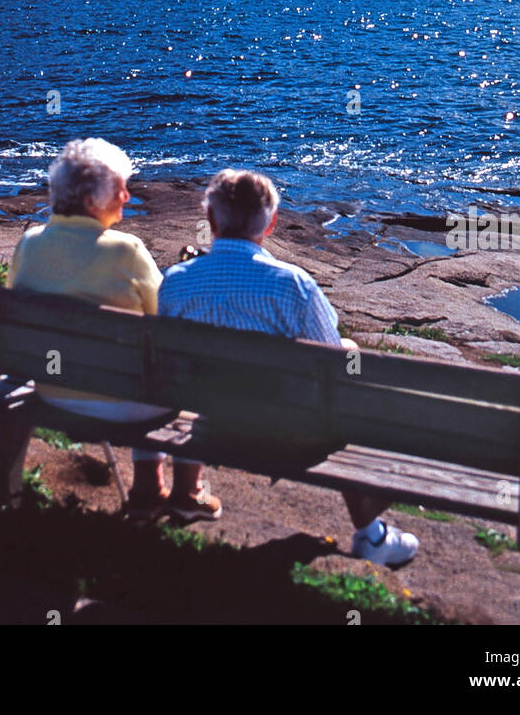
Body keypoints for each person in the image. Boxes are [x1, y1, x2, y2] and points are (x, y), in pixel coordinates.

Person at [158, 168, 420, 565]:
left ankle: (186, 492)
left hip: (216, 424)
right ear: (272, 223)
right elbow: (331, 357)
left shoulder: (176, 282)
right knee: (347, 363)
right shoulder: (293, 284)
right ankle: (371, 535)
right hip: (291, 434)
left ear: (210, 220)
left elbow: (170, 361)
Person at [7, 138, 174, 519]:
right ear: (91, 201)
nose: (128, 197)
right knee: (160, 367)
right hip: (125, 402)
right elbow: (165, 325)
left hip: (53, 392)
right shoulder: (127, 251)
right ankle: (154, 485)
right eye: (119, 189)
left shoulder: (29, 244)